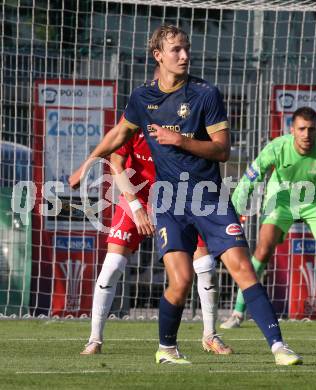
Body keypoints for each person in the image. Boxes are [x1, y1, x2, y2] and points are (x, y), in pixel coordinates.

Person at [70, 24, 301, 366]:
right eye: (175, 49)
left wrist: (180, 140)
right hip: (169, 201)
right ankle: (165, 348)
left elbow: (222, 150)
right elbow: (120, 134)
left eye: (186, 48)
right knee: (180, 281)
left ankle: (279, 347)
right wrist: (87, 163)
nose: (184, 55)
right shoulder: (142, 98)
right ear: (158, 55)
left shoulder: (206, 94)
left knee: (242, 268)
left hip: (209, 197)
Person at [81, 123, 232, 355]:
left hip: (177, 200)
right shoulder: (134, 121)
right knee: (112, 265)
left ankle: (210, 336)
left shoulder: (185, 121)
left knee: (206, 265)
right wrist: (135, 207)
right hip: (137, 197)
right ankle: (94, 340)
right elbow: (116, 164)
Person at [221, 106, 316, 329]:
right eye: (302, 129)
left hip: (315, 200)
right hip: (281, 200)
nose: (306, 134)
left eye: (312, 129)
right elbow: (250, 178)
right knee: (263, 248)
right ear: (292, 130)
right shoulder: (277, 148)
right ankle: (238, 312)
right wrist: (234, 211)